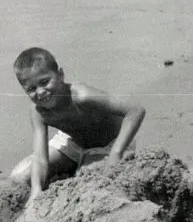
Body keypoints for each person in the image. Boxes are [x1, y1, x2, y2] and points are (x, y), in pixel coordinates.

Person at [10, 47, 145, 200]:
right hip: (73, 142)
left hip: (110, 143)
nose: (40, 92)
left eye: (44, 82)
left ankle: (83, 167)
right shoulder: (38, 111)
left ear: (60, 75)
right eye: (31, 88)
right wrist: (36, 190)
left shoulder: (81, 96)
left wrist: (116, 153)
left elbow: (135, 110)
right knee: (19, 177)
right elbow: (40, 158)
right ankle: (74, 167)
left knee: (89, 183)